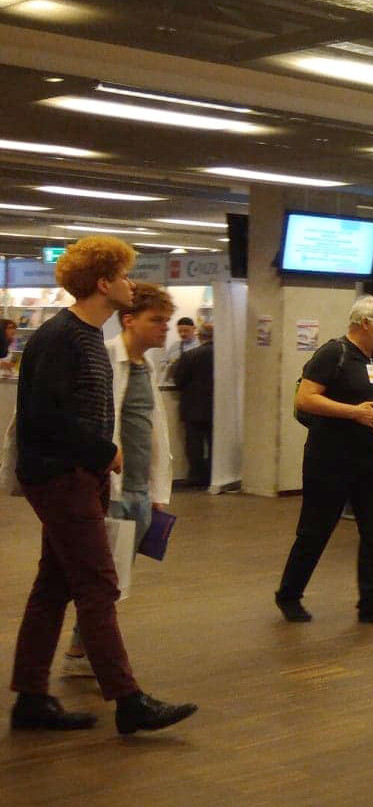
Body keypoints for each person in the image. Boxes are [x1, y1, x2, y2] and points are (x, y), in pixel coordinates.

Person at [9, 236, 196, 734]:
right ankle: (129, 700)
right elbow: (43, 417)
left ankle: (30, 697)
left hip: (76, 476)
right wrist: (103, 452)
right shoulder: (63, 337)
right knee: (98, 585)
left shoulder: (86, 335)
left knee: (54, 585)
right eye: (124, 275)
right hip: (61, 476)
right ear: (103, 283)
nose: (131, 284)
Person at [62, 282, 177, 678]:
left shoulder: (147, 367)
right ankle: (93, 655)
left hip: (139, 492)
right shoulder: (106, 360)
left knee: (114, 579)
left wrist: (157, 489)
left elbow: (155, 431)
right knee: (101, 579)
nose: (164, 328)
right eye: (156, 320)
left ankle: (81, 647)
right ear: (129, 320)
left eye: (166, 321)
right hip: (109, 490)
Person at [275, 295, 373, 625]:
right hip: (329, 459)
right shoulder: (334, 353)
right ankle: (289, 595)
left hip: (370, 461)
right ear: (365, 322)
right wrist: (353, 413)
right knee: (315, 531)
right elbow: (305, 399)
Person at [172, 322, 214, 488]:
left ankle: (197, 476)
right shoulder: (225, 357)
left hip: (193, 406)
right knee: (214, 444)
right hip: (217, 407)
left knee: (194, 444)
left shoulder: (189, 355)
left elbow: (178, 380)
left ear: (199, 335)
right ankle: (213, 475)